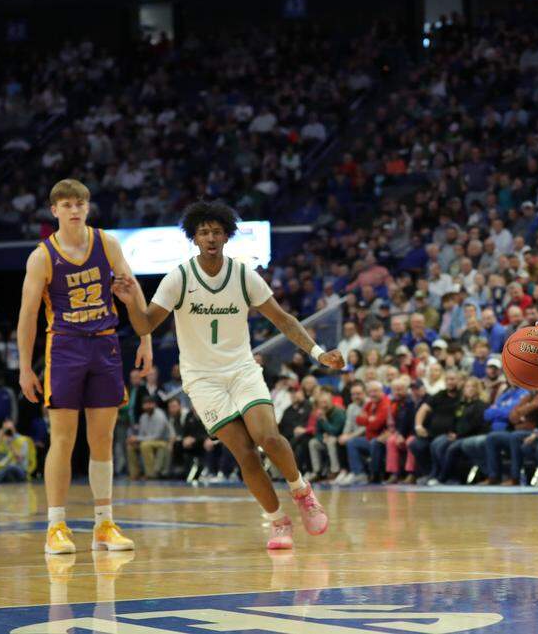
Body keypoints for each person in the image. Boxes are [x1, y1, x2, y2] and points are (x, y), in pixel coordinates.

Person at [112, 200, 344, 550]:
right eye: (203, 231)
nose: (210, 237)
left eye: (217, 231)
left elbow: (282, 319)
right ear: (194, 237)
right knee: (245, 453)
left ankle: (302, 492)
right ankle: (278, 522)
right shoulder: (179, 277)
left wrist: (319, 353)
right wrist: (131, 302)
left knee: (270, 437)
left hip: (241, 369)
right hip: (202, 380)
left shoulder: (242, 274)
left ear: (226, 236)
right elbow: (145, 324)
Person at [17, 179, 150, 555]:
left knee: (103, 439)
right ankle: (55, 526)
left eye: (79, 203)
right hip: (65, 348)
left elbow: (132, 288)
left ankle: (104, 524)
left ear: (87, 207)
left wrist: (146, 338)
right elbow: (27, 316)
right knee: (62, 438)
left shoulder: (106, 243)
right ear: (54, 210)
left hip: (106, 343)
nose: (74, 210)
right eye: (66, 204)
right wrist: (25, 368)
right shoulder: (42, 256)